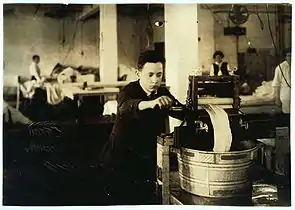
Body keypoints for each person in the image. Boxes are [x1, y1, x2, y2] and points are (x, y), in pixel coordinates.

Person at [99, 50, 183, 205]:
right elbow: (125, 107)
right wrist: (151, 103)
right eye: (150, 75)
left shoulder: (163, 92)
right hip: (120, 159)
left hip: (146, 159)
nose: (155, 80)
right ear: (138, 73)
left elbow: (181, 112)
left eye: (159, 75)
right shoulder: (128, 91)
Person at [272, 49, 291, 114]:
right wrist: (277, 98)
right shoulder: (280, 67)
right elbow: (276, 84)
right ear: (285, 57)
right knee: (287, 116)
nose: (291, 57)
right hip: (286, 97)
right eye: (289, 55)